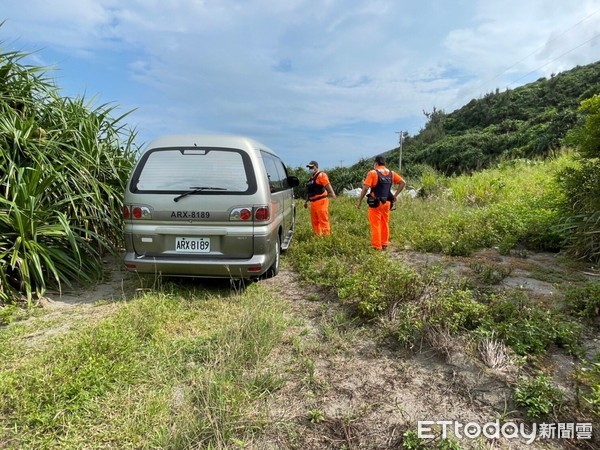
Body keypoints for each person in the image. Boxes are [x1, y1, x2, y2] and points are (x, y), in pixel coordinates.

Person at [357, 155, 406, 250]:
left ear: (376, 163)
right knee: (385, 223)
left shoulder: (373, 173)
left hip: (376, 203)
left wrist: (359, 200)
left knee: (375, 224)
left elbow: (366, 187)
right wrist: (395, 196)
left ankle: (376, 246)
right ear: (384, 163)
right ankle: (384, 243)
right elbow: (403, 182)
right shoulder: (391, 173)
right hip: (387, 203)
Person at [304, 160, 336, 236]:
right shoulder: (310, 179)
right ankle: (318, 235)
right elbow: (310, 192)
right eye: (309, 167)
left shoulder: (321, 175)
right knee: (315, 221)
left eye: (312, 167)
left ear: (316, 167)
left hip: (321, 201)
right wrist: (306, 202)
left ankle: (326, 236)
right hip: (313, 202)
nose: (310, 169)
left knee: (323, 219)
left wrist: (332, 193)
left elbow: (327, 185)